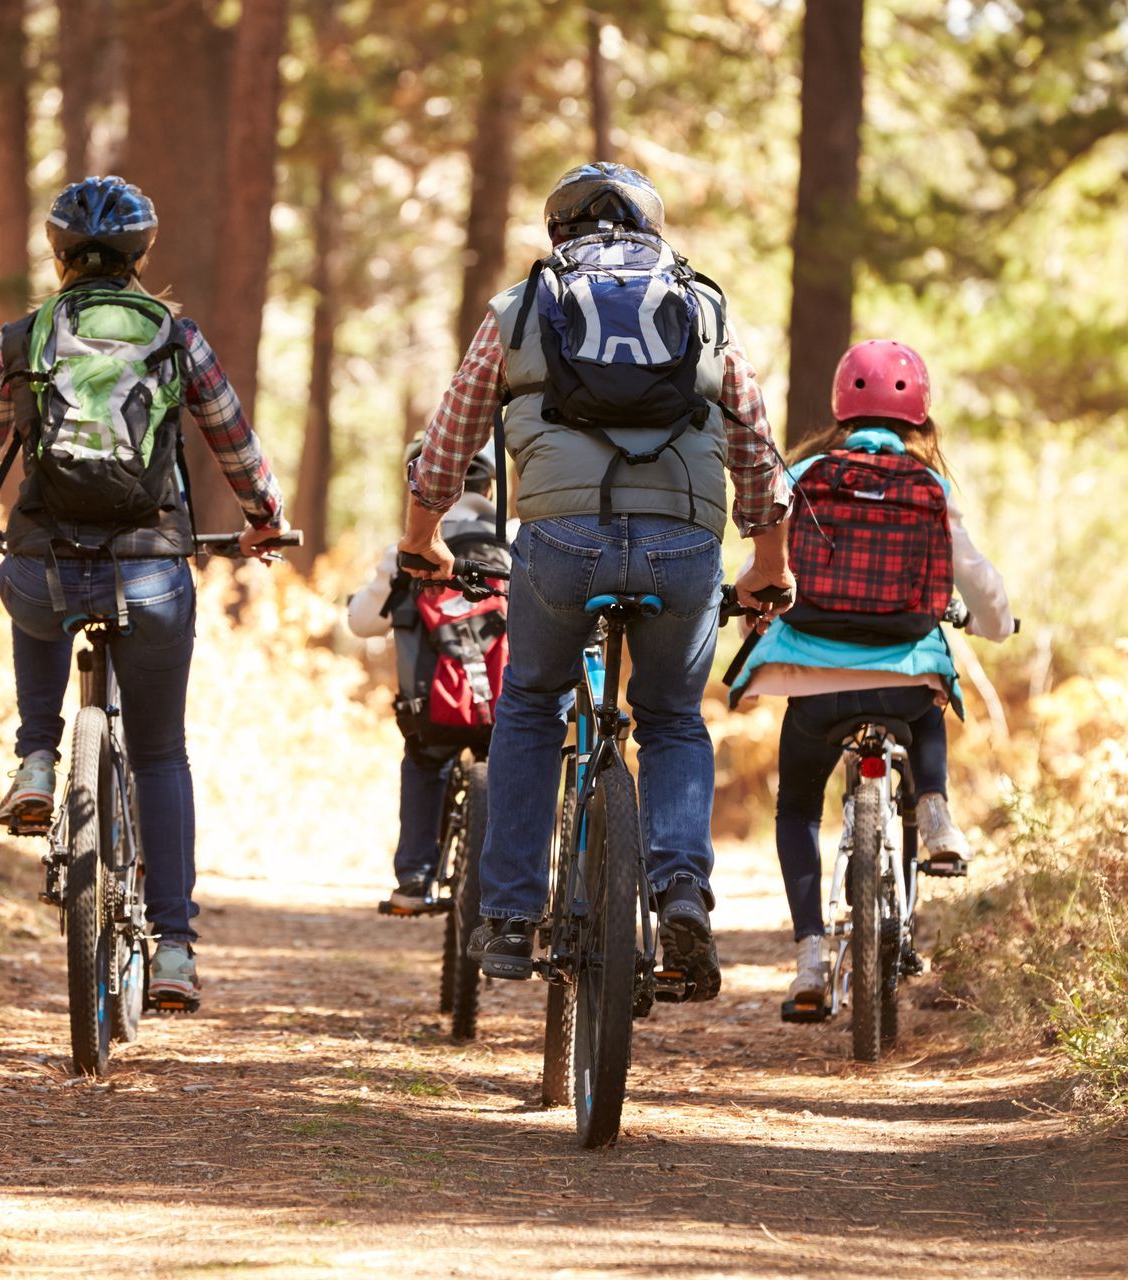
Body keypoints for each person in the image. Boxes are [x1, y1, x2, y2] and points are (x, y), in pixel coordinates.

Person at [399, 161, 794, 1001]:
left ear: (558, 234)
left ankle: (507, 918)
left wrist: (421, 542)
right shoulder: (704, 306)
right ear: (653, 230)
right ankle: (681, 890)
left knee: (532, 703)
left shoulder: (522, 307)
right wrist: (770, 560)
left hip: (561, 542)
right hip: (684, 544)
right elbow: (755, 441)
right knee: (674, 719)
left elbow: (447, 445)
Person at [0, 175, 287, 1010]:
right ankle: (172, 949)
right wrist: (265, 517)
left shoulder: (22, 340)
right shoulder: (177, 337)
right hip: (151, 565)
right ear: (140, 257)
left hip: (44, 561)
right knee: (161, 753)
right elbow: (233, 440)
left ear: (58, 254)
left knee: (35, 591)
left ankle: (37, 756)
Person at [727, 339, 1014, 1007]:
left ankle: (807, 960)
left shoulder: (806, 476)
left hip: (815, 679)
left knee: (797, 808)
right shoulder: (931, 487)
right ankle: (935, 812)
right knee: (929, 698)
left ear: (841, 408)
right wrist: (996, 626)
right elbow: (981, 584)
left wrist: (752, 619)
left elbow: (763, 571)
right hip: (902, 675)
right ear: (919, 416)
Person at [347, 440, 509, 912]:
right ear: (489, 486)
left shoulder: (407, 549)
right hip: (508, 704)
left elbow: (362, 622)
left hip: (432, 708)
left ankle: (415, 881)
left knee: (424, 759)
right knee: (517, 766)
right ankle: (514, 891)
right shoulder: (515, 537)